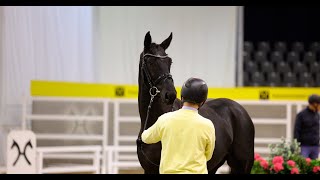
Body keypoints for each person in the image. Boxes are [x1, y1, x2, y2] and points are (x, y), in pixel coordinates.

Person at [141, 77, 216, 174]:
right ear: (203, 102)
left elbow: (146, 138)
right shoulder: (208, 125)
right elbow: (208, 155)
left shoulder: (165, 119)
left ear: (182, 97)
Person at [294, 94, 320, 159]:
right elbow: (296, 131)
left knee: (315, 168)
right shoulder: (301, 115)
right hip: (304, 146)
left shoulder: (317, 115)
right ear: (315, 104)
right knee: (304, 166)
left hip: (315, 146)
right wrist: (296, 146)